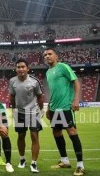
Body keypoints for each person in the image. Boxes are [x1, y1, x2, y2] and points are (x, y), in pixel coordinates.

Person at [43, 48, 85, 176]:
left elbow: (76, 82)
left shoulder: (63, 67)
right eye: (45, 55)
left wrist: (76, 100)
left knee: (72, 132)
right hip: (54, 108)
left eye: (50, 54)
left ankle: (80, 165)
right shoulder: (48, 72)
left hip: (66, 106)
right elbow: (53, 91)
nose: (47, 56)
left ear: (56, 56)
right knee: (56, 132)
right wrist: (49, 107)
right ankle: (64, 161)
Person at [9, 59, 44, 173]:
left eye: (23, 67)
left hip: (33, 112)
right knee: (21, 136)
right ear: (16, 69)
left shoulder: (34, 81)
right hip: (19, 113)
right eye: (18, 67)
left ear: (27, 68)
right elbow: (12, 96)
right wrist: (14, 109)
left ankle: (34, 163)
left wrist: (42, 109)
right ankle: (22, 159)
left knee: (34, 136)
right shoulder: (12, 81)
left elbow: (39, 96)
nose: (21, 69)